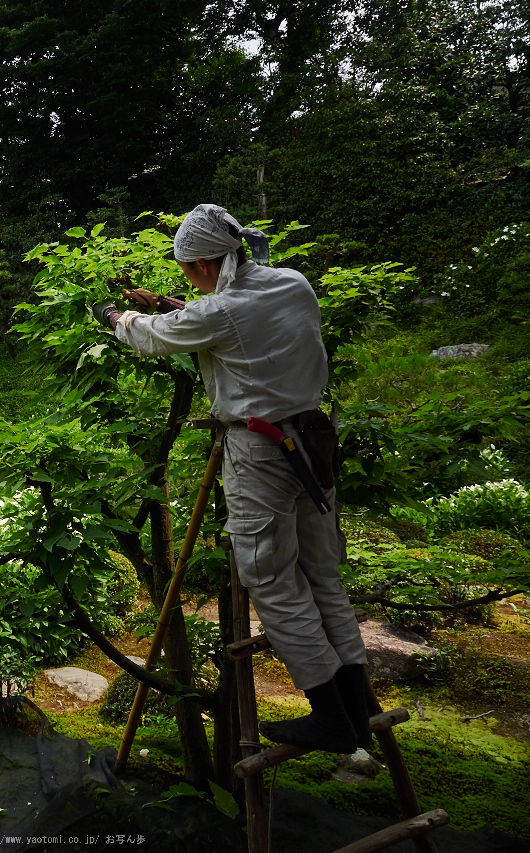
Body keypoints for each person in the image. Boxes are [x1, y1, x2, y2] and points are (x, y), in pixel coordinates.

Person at [93, 204, 370, 754]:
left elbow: (159, 336)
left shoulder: (219, 313)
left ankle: (330, 717)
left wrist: (117, 318)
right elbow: (236, 322)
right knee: (323, 577)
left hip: (262, 450)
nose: (183, 278)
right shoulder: (291, 283)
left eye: (185, 269)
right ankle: (359, 705)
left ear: (201, 261)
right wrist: (176, 307)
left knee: (270, 578)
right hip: (314, 442)